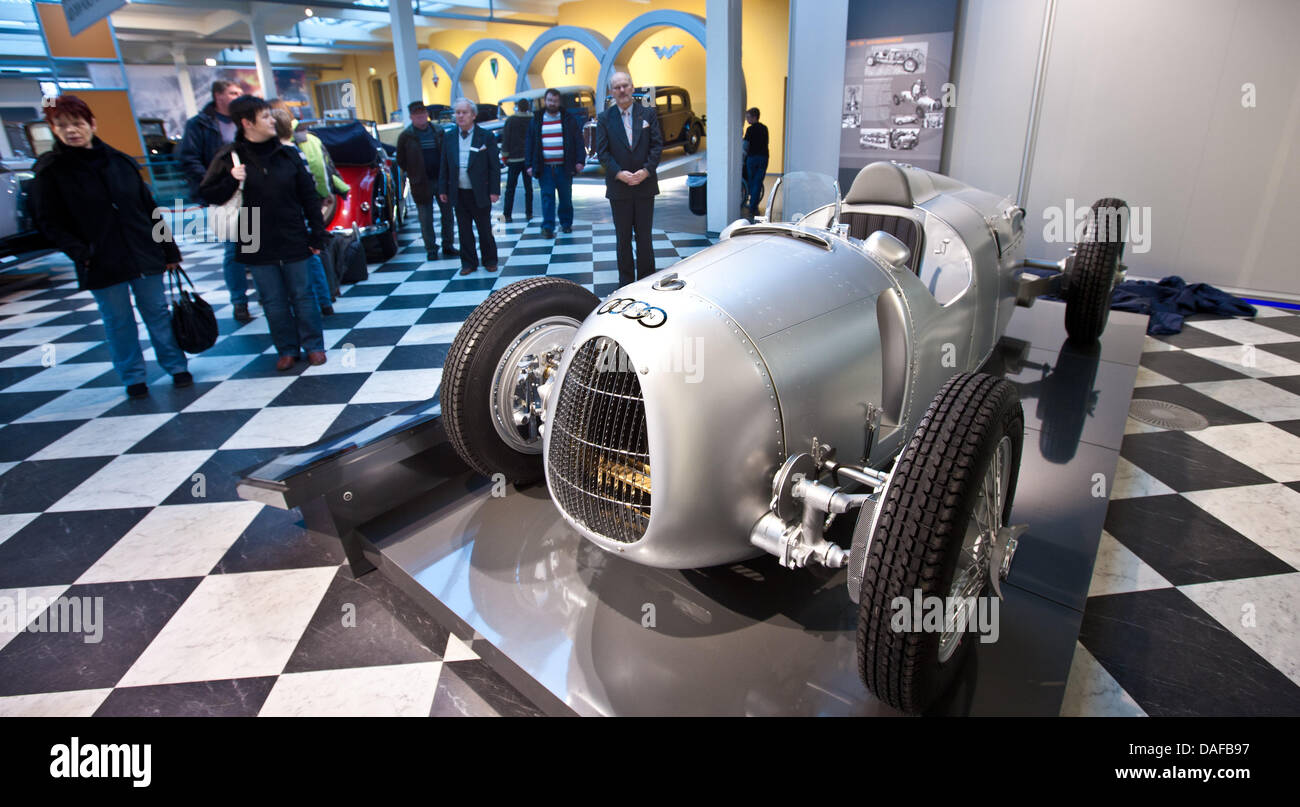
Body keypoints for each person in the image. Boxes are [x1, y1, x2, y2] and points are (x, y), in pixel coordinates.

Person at [31, 95, 191, 399]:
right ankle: (133, 376)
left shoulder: (119, 161)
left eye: (77, 123)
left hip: (144, 253)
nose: (71, 131)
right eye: (62, 125)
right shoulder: (51, 170)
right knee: (118, 321)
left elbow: (148, 209)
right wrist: (82, 254)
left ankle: (176, 366)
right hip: (100, 260)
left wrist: (168, 249)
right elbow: (48, 221)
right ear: (53, 129)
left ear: (92, 124)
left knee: (157, 312)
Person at [199, 96, 328, 371]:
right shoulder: (229, 157)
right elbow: (208, 194)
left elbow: (309, 196)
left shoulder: (288, 154)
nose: (273, 120)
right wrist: (231, 179)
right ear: (247, 123)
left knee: (304, 295)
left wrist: (317, 234)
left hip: (293, 235)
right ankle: (287, 349)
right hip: (255, 239)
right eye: (266, 116)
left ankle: (314, 345)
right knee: (273, 300)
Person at [178, 80, 253, 323]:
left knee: (257, 244)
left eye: (240, 92)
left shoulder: (244, 120)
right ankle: (239, 302)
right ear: (218, 96)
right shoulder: (200, 124)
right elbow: (189, 159)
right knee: (233, 249)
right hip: (223, 195)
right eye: (232, 93)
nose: (237, 96)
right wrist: (213, 183)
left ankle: (267, 295)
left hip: (251, 191)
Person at [269, 102, 341, 317]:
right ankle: (327, 296)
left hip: (298, 214)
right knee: (315, 256)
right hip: (309, 208)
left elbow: (312, 177)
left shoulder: (291, 151)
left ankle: (321, 299)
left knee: (310, 258)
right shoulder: (304, 144)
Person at [594, 71, 663, 285]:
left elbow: (657, 145)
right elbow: (603, 152)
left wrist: (645, 171)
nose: (622, 90)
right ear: (612, 92)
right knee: (623, 239)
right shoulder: (605, 118)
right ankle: (625, 282)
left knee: (645, 237)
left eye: (625, 85)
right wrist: (619, 174)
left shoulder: (648, 114)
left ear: (632, 87)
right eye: (617, 87)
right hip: (619, 188)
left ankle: (646, 280)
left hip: (645, 185)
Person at [438, 98, 500, 276]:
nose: (460, 116)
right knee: (464, 230)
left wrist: (494, 191)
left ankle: (490, 260)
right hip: (458, 191)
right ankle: (469, 263)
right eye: (457, 112)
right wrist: (443, 189)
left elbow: (494, 166)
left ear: (473, 115)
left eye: (464, 112)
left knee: (485, 229)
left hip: (480, 190)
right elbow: (444, 164)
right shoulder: (449, 136)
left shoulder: (485, 136)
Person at [396, 100, 458, 261]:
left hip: (441, 179)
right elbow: (401, 160)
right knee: (425, 217)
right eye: (417, 115)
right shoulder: (406, 136)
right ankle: (431, 248)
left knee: (447, 215)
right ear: (411, 117)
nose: (421, 117)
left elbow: (447, 152)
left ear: (427, 114)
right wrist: (413, 173)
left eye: (423, 114)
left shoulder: (438, 131)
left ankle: (448, 244)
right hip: (421, 182)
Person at [526, 88, 586, 239]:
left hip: (564, 167)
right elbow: (530, 143)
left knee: (566, 198)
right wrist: (529, 165)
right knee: (547, 198)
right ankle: (548, 227)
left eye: (555, 100)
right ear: (545, 101)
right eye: (549, 100)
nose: (552, 103)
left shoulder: (568, 119)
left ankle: (566, 224)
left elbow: (578, 140)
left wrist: (580, 161)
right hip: (545, 168)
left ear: (559, 102)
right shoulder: (537, 120)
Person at [499, 97, 533, 223]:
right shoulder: (532, 119)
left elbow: (506, 138)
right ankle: (529, 213)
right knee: (528, 187)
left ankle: (507, 214)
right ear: (528, 107)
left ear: (517, 107)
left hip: (514, 158)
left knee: (510, 188)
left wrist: (504, 155)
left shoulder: (511, 120)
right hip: (528, 159)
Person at [742, 107, 769, 216]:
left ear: (754, 117)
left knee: (752, 182)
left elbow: (745, 145)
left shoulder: (750, 130)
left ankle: (752, 206)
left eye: (748, 117)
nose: (747, 119)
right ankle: (754, 206)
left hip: (752, 158)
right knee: (758, 182)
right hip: (764, 157)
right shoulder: (764, 128)